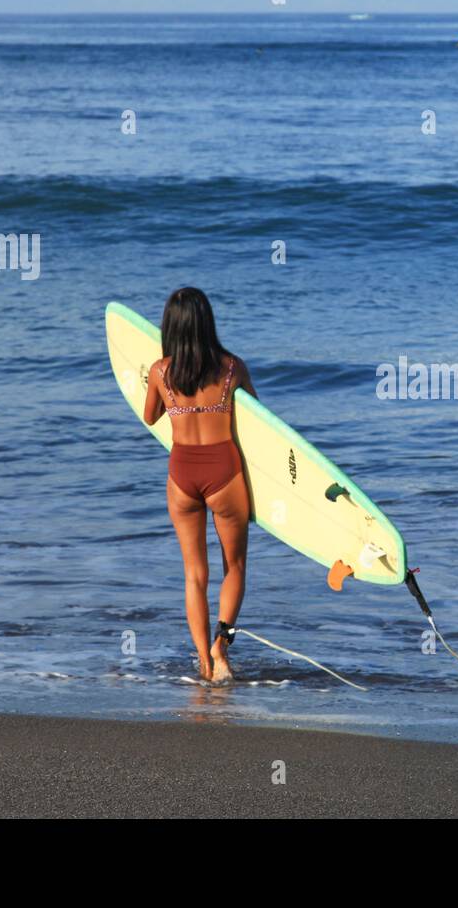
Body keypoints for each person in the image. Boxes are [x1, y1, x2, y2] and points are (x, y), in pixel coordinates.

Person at [143, 287, 257, 683]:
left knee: (194, 574)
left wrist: (158, 388)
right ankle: (220, 648)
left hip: (182, 474)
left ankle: (204, 667)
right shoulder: (231, 368)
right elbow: (259, 425)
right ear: (207, 321)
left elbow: (150, 417)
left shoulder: (161, 372)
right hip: (224, 472)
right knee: (235, 565)